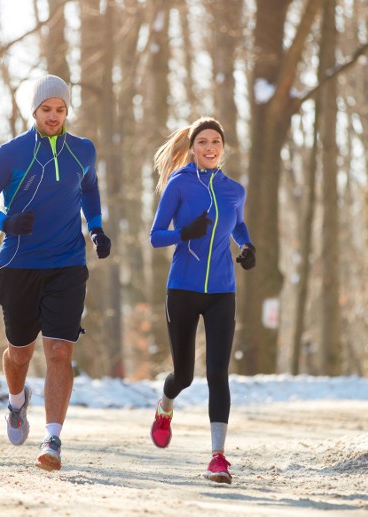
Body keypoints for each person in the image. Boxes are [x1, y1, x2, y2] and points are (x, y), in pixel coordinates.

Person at [0, 74, 111, 471]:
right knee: (20, 353)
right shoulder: (11, 153)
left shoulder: (82, 150)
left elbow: (89, 189)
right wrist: (6, 223)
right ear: (34, 111)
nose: (54, 116)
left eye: (61, 110)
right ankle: (17, 403)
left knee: (61, 351)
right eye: (47, 110)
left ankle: (53, 439)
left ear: (68, 111)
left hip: (67, 264)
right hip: (19, 265)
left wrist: (96, 227)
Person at [148, 117, 256, 484]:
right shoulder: (179, 185)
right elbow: (155, 236)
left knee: (218, 374)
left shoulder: (234, 190)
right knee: (184, 375)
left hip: (222, 291)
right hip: (183, 289)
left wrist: (247, 246)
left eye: (216, 142)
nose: (210, 147)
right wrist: (184, 233)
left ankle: (218, 457)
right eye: (203, 142)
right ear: (192, 148)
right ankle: (165, 407)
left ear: (223, 148)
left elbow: (237, 224)